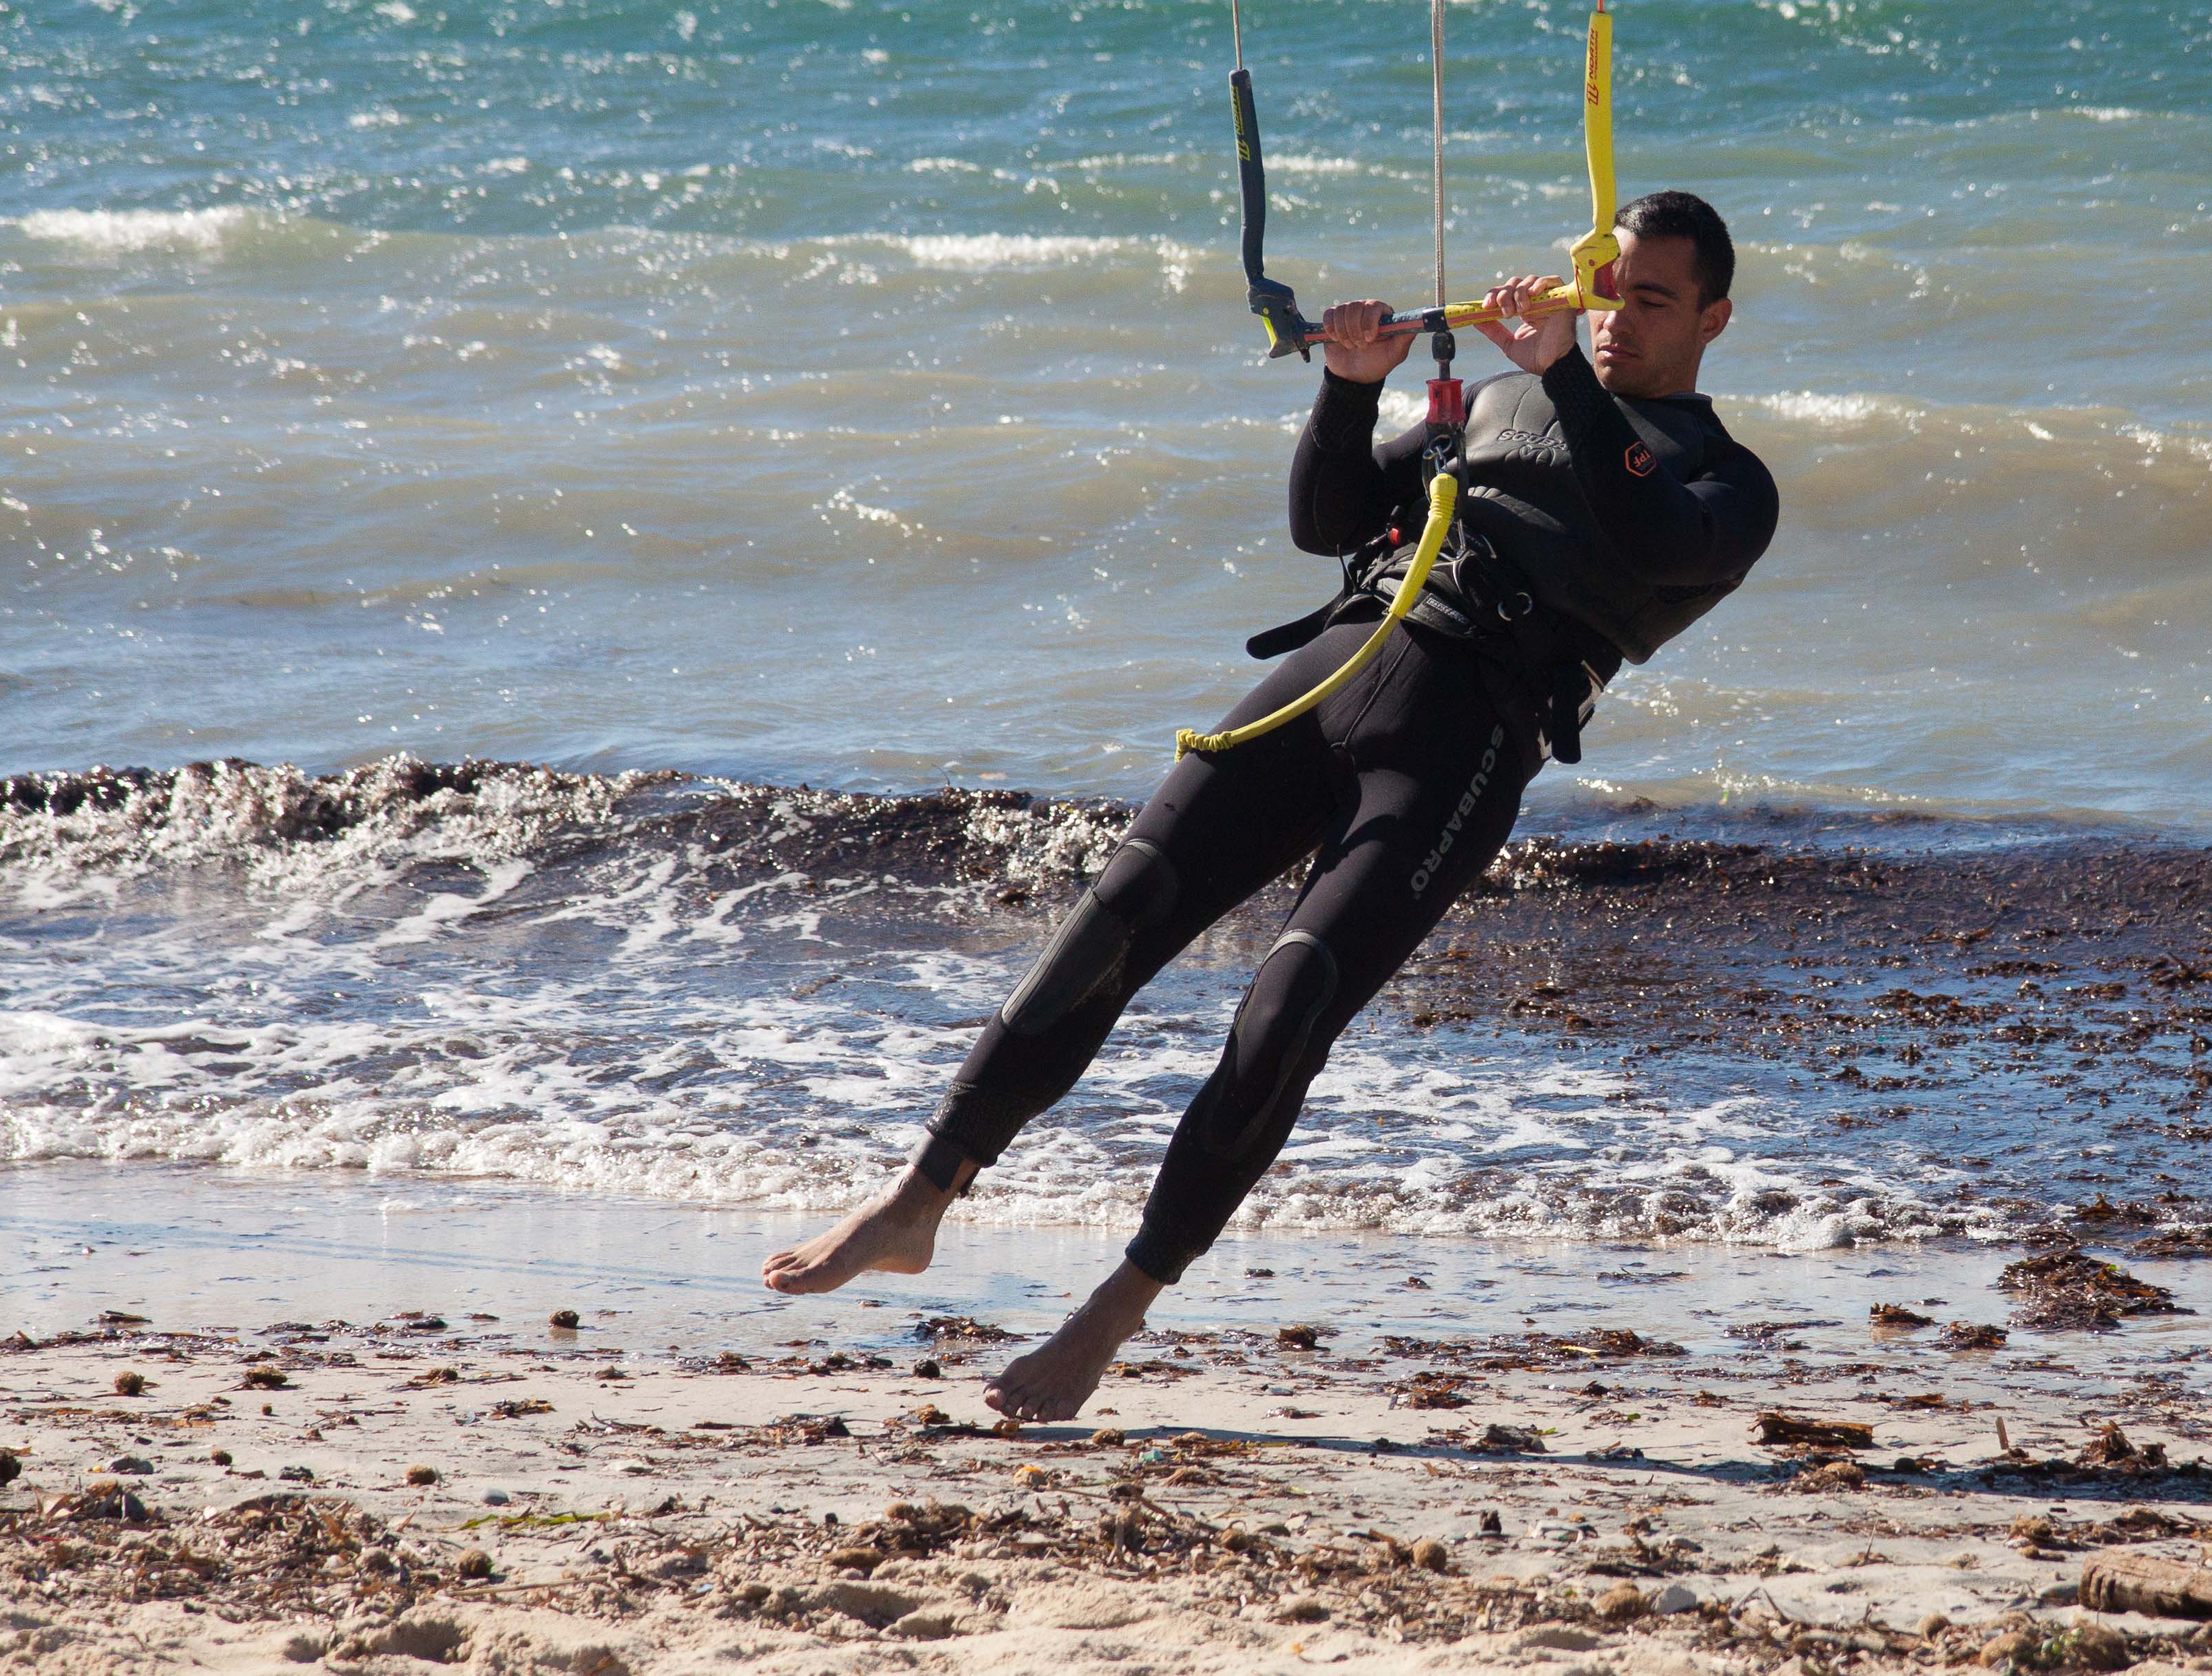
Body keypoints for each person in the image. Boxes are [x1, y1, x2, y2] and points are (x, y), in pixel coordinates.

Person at [761, 191, 1777, 1422]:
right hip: (1337, 666)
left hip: (1461, 741)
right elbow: (1327, 525)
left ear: (1713, 318)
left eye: (1652, 298)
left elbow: (1648, 530)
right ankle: (919, 1195)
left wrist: (1561, 375)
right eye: (1606, 287)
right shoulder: (1497, 398)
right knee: (1120, 905)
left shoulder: (1725, 480)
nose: (1616, 316)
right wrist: (1351, 387)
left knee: (1290, 1004)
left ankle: (1111, 1311)